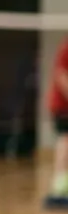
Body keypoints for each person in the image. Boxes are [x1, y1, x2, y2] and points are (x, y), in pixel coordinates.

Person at [47, 36, 68, 198]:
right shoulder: (66, 48)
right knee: (65, 138)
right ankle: (60, 181)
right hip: (62, 106)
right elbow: (61, 75)